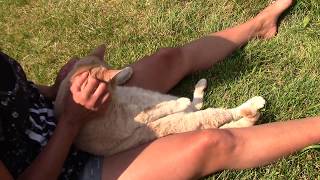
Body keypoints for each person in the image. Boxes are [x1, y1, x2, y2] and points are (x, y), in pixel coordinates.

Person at [2, 0, 319, 179]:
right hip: (66, 170)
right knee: (210, 142)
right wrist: (71, 122)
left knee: (168, 59)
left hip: (64, 117)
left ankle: (261, 23)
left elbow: (20, 99)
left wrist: (58, 89)